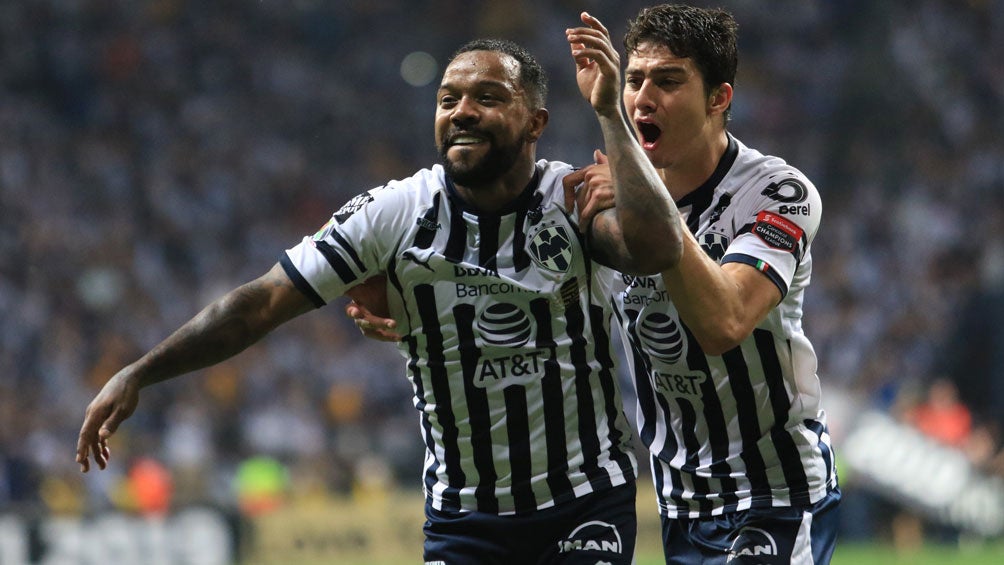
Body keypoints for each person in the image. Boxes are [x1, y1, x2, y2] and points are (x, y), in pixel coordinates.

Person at [76, 37, 684, 564]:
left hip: (582, 503)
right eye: (448, 100)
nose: (462, 112)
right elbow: (260, 303)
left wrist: (609, 111)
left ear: (535, 122)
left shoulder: (575, 198)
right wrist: (141, 371)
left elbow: (656, 250)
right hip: (463, 517)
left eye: (488, 98)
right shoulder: (397, 211)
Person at [354, 6, 840, 564]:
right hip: (680, 505)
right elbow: (524, 291)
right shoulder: (602, 203)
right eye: (634, 80)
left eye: (669, 81)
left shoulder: (778, 192)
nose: (643, 99)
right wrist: (416, 308)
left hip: (778, 492)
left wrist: (651, 213)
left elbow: (722, 323)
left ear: (719, 98)